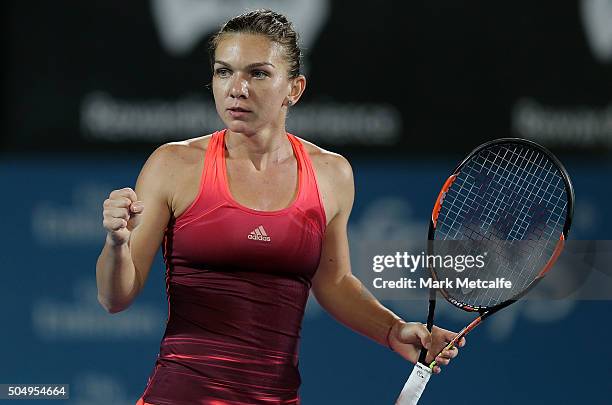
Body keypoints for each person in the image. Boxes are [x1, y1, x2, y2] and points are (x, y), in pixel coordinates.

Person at [96, 9, 465, 405]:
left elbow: (334, 282)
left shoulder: (332, 174)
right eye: (224, 72)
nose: (236, 88)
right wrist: (117, 243)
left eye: (257, 73)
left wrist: (393, 332)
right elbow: (115, 298)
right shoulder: (173, 165)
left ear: (295, 88)